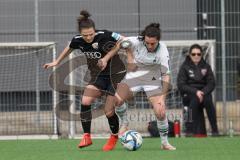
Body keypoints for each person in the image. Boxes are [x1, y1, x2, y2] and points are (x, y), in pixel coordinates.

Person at [43, 10, 127, 151]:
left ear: (95, 31)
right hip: (98, 76)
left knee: (108, 111)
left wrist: (106, 58)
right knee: (85, 101)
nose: (88, 38)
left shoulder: (105, 35)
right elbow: (69, 48)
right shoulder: (78, 40)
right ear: (80, 33)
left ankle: (114, 136)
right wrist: (56, 61)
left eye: (91, 34)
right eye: (85, 35)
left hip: (115, 74)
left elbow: (123, 40)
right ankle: (86, 136)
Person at [113, 23, 176, 150]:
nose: (150, 46)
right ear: (143, 39)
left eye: (153, 43)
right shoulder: (136, 41)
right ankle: (124, 123)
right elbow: (117, 37)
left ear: (158, 40)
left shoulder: (163, 50)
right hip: (134, 76)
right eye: (147, 43)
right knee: (117, 99)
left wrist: (162, 100)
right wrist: (124, 45)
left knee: (160, 110)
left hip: (152, 79)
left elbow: (166, 75)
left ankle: (164, 143)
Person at [177, 44, 219, 136]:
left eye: (198, 54)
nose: (196, 56)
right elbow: (181, 84)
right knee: (194, 100)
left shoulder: (206, 66)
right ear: (190, 55)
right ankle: (189, 130)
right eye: (194, 54)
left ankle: (215, 130)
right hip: (189, 94)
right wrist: (196, 92)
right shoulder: (184, 67)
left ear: (201, 54)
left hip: (204, 93)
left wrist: (202, 92)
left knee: (208, 100)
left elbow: (211, 83)